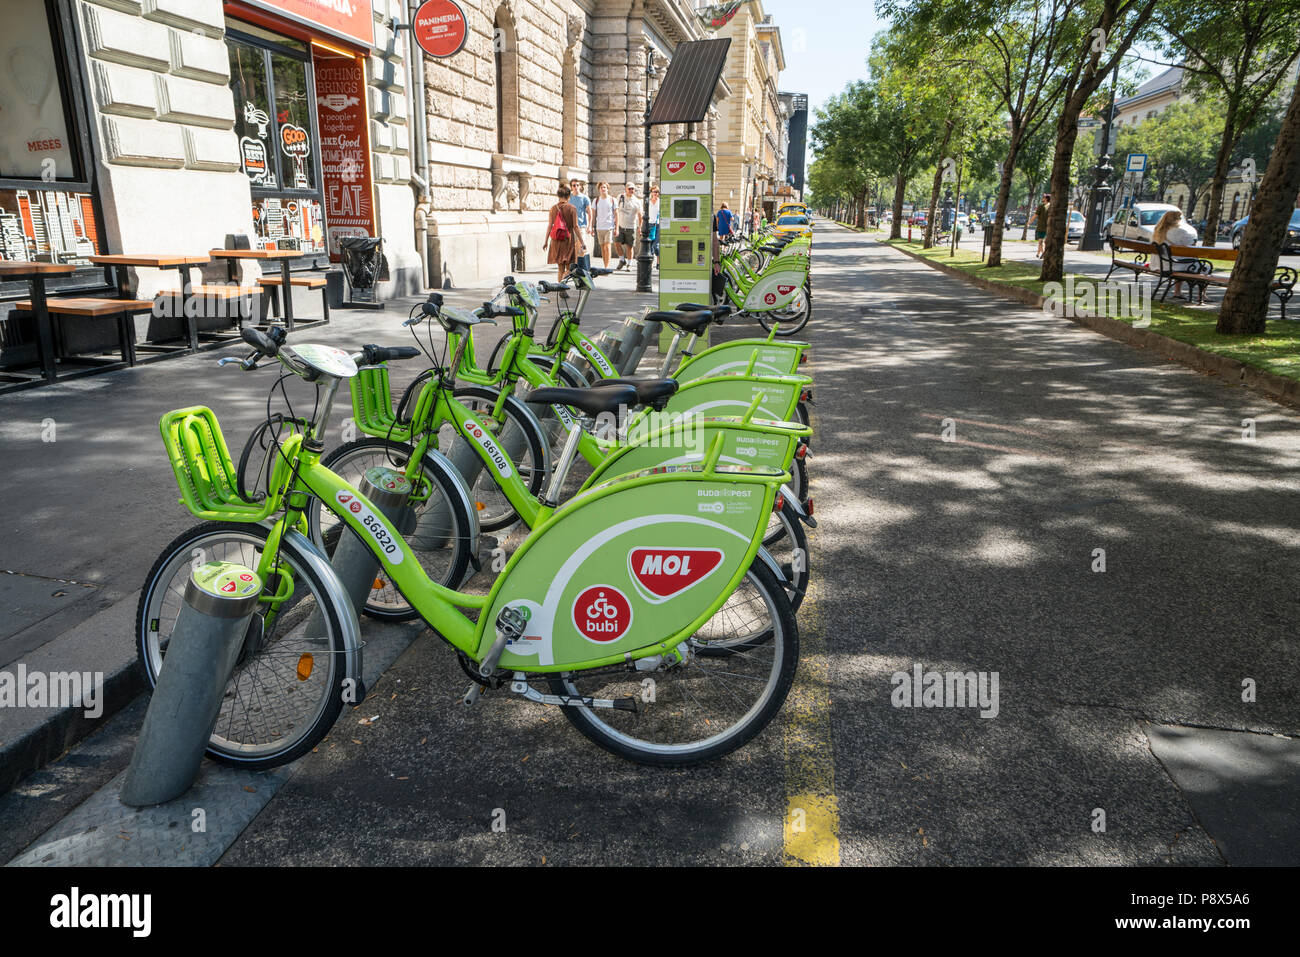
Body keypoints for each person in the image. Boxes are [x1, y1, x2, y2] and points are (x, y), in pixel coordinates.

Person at [1152, 209, 1199, 300]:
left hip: (1158, 264)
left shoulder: (1158, 229)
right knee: (1204, 267)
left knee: (1180, 261)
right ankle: (1201, 295)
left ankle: (1177, 292)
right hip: (1174, 264)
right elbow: (1191, 245)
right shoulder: (1183, 230)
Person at [542, 184, 585, 282]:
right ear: (569, 196)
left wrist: (545, 241)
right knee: (569, 268)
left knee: (560, 268)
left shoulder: (553, 208)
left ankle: (561, 288)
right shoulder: (572, 208)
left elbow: (550, 225)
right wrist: (582, 242)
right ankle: (563, 285)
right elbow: (576, 227)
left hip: (556, 240)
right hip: (568, 240)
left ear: (558, 196)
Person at [615, 183, 643, 270]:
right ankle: (622, 260)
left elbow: (640, 215)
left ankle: (629, 264)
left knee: (629, 246)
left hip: (631, 226)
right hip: (620, 225)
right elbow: (615, 210)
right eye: (629, 189)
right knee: (616, 243)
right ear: (626, 189)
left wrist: (640, 227)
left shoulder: (637, 201)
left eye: (633, 189)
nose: (631, 190)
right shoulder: (620, 197)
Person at [590, 182, 616, 269]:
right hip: (599, 227)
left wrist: (617, 228)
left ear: (607, 189)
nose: (603, 189)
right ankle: (605, 265)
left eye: (604, 187)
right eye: (601, 187)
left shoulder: (612, 200)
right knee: (603, 248)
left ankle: (607, 267)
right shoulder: (596, 200)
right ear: (599, 189)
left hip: (609, 227)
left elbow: (616, 214)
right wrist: (591, 227)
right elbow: (593, 215)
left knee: (607, 247)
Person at [568, 178, 591, 272]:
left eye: (577, 185)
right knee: (572, 247)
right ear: (571, 187)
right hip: (570, 226)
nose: (576, 187)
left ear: (580, 186)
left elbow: (590, 212)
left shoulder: (584, 198)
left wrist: (589, 226)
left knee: (582, 246)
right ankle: (574, 266)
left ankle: (583, 267)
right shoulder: (569, 197)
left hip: (581, 226)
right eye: (574, 185)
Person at [1032, 193, 1050, 257]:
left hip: (1040, 227)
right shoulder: (1050, 206)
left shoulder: (1041, 206)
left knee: (1040, 241)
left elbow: (1035, 215)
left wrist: (1029, 222)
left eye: (1043, 197)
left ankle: (1042, 253)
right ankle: (1038, 253)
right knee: (1042, 241)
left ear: (1046, 199)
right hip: (1048, 227)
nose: (1042, 198)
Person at [647, 185, 661, 269]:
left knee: (656, 245)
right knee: (650, 245)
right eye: (654, 191)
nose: (655, 193)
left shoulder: (660, 202)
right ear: (651, 192)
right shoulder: (647, 202)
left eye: (657, 192)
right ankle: (651, 263)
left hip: (658, 225)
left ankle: (659, 262)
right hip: (649, 224)